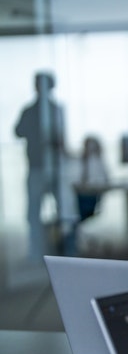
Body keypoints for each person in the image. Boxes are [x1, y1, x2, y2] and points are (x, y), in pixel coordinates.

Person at [14, 71, 66, 262]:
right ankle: (37, 252)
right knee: (34, 213)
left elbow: (61, 139)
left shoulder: (55, 110)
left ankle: (62, 250)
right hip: (36, 167)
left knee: (62, 212)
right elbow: (18, 132)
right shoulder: (31, 111)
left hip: (54, 169)